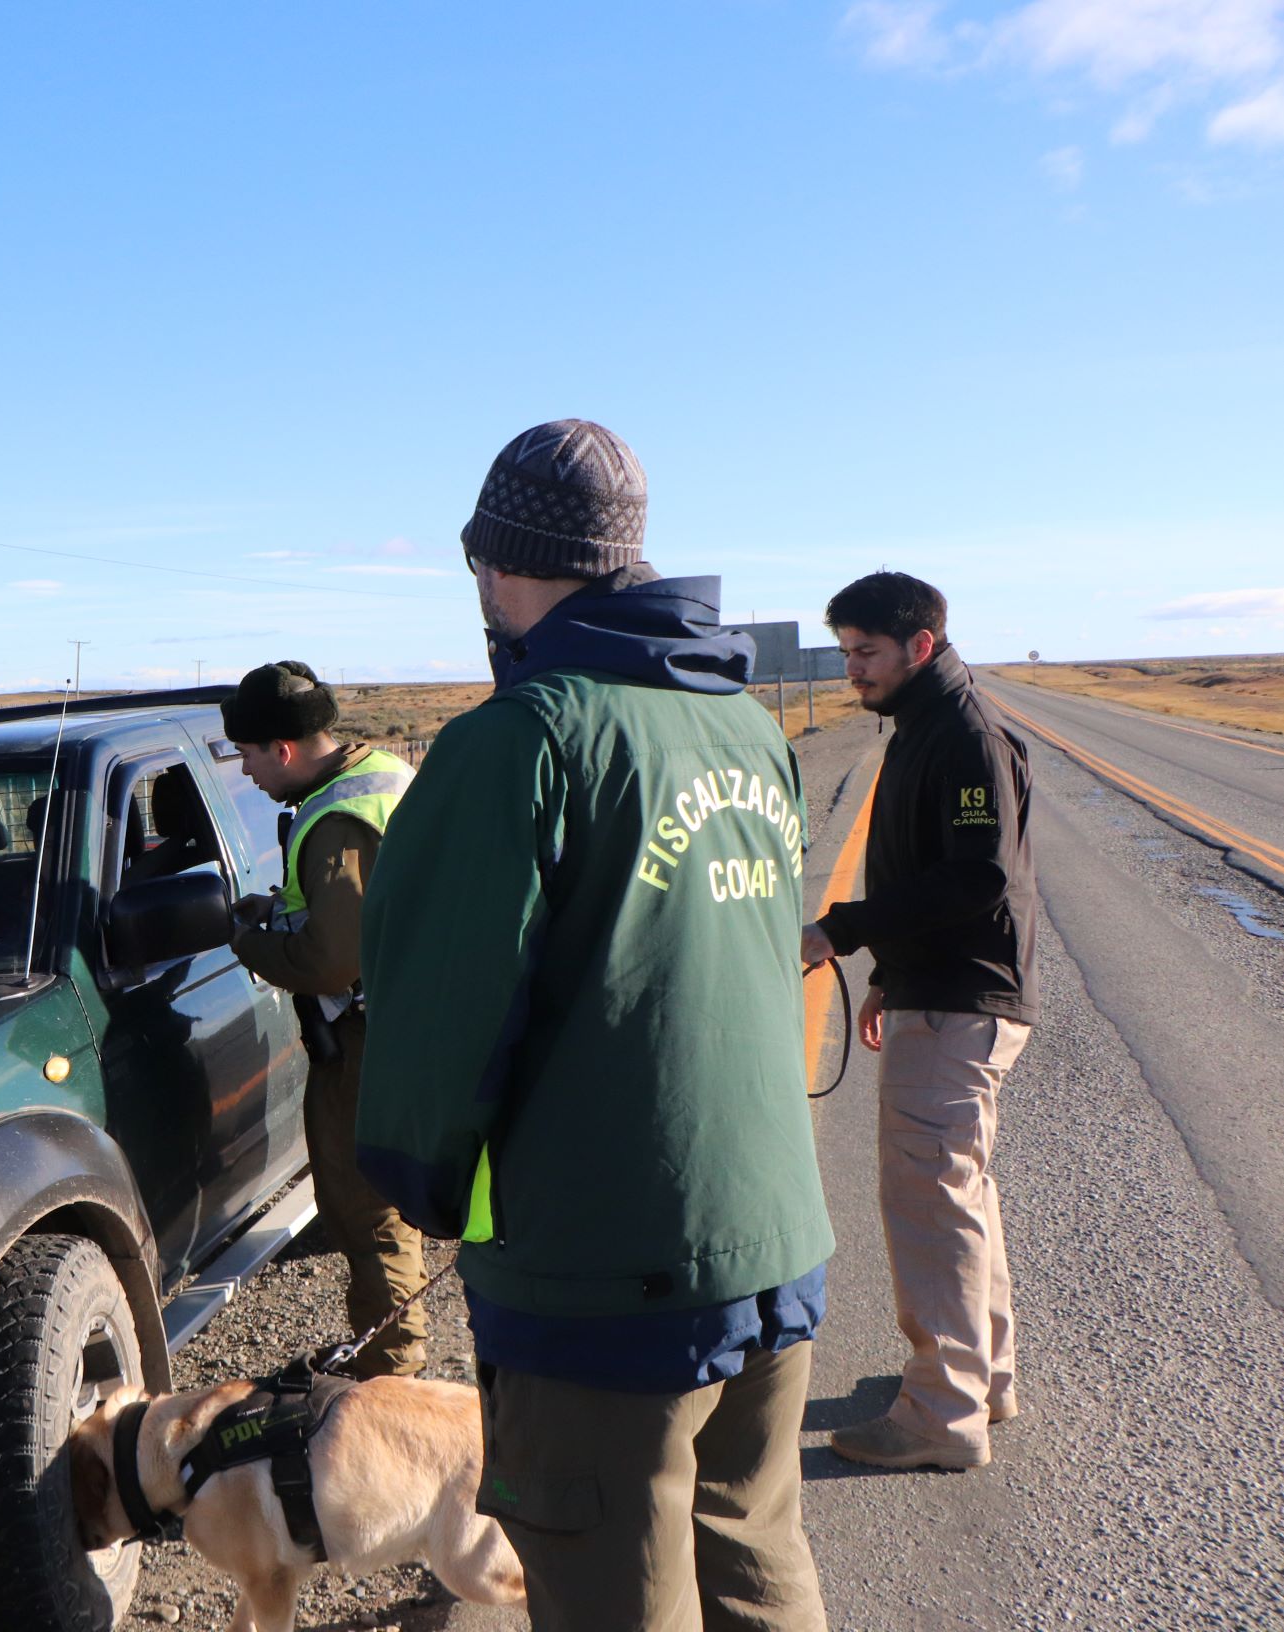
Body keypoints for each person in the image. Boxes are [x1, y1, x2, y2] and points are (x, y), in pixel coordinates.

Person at [358, 419, 833, 1630]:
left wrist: (417, 1181)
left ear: (491, 560)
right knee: (753, 1557)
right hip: (771, 1244)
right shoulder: (746, 730)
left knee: (609, 1590)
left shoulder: (518, 741)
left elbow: (432, 1029)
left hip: (601, 1282)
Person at [802, 571, 1037, 1473]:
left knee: (930, 1203)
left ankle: (940, 1414)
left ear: (919, 647)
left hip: (960, 1003)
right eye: (846, 652)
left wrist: (844, 930)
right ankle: (985, 1378)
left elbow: (977, 879)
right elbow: (931, 875)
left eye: (864, 652)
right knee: (960, 1194)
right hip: (933, 989)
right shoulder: (920, 726)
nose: (851, 669)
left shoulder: (964, 737)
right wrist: (886, 976)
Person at [221, 661, 425, 1379]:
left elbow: (332, 959)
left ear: (281, 748)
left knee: (370, 1214)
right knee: (376, 1206)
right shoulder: (384, 772)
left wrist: (249, 939)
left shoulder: (334, 816)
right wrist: (280, 912)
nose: (242, 772)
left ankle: (389, 1376)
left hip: (371, 1036)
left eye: (244, 754)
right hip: (411, 1018)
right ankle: (383, 1352)